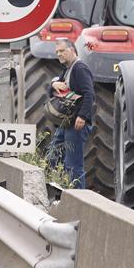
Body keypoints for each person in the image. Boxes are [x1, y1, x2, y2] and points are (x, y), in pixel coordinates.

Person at [47, 38, 95, 189]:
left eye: (62, 51)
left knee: (74, 165)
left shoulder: (80, 68)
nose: (59, 54)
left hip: (76, 123)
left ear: (72, 50)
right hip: (66, 123)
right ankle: (59, 187)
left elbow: (89, 94)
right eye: (57, 52)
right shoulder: (67, 69)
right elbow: (52, 91)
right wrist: (54, 84)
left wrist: (82, 116)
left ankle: (78, 198)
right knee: (53, 155)